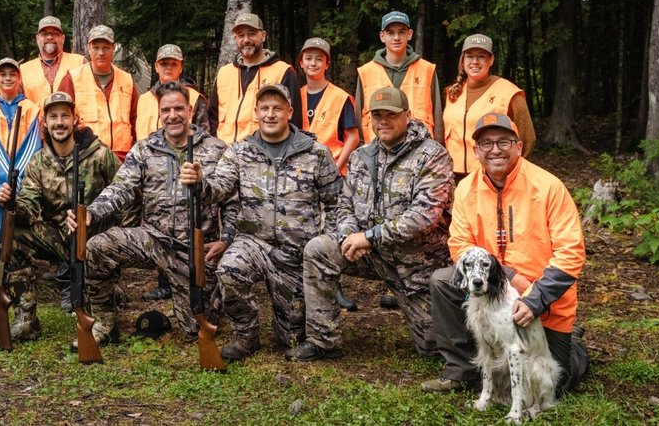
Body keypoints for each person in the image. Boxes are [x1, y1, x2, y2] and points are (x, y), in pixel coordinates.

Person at [284, 87, 455, 361]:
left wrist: (370, 237)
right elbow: (345, 204)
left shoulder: (433, 156)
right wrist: (348, 235)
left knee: (433, 349)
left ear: (408, 116)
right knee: (319, 249)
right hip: (370, 253)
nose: (383, 121)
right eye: (377, 115)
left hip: (415, 266)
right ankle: (321, 340)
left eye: (391, 114)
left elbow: (425, 216)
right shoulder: (362, 156)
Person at [422, 113, 588, 393]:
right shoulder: (466, 189)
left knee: (553, 384)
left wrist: (536, 298)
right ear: (475, 151)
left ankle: (574, 345)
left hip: (545, 303)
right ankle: (462, 371)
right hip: (494, 288)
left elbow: (571, 253)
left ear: (519, 147)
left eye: (503, 141)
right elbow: (460, 246)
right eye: (486, 144)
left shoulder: (548, 187)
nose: (495, 149)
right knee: (442, 280)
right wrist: (509, 276)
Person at [181, 83, 341, 362]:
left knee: (291, 337)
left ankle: (293, 321)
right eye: (264, 108)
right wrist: (199, 183)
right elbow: (219, 188)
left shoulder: (316, 153)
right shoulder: (240, 152)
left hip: (295, 254)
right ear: (255, 113)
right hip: (253, 244)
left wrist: (325, 246)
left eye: (277, 108)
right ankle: (246, 335)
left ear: (290, 112)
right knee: (229, 269)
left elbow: (336, 201)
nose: (270, 114)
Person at [68, 82, 236, 343]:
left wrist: (226, 240)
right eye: (166, 110)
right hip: (153, 240)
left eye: (179, 108)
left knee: (195, 331)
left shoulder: (216, 150)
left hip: (194, 249)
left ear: (190, 110)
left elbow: (231, 200)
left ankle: (206, 304)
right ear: (159, 113)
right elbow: (122, 187)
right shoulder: (145, 149)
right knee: (97, 247)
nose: (173, 115)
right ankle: (103, 322)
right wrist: (91, 213)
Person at [0, 92, 124, 341]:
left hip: (97, 242)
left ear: (75, 120)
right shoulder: (38, 162)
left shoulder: (101, 156)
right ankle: (27, 319)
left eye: (65, 115)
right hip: (61, 239)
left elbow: (126, 196)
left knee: (97, 274)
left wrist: (121, 243)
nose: (59, 122)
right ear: (45, 122)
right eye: (53, 116)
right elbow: (29, 207)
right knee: (15, 236)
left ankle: (104, 318)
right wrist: (12, 204)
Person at [134, 43, 211, 301]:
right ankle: (164, 282)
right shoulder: (144, 98)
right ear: (156, 66)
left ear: (181, 66)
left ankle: (193, 279)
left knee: (185, 220)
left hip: (187, 165)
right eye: (163, 63)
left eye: (173, 63)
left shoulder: (195, 98)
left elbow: (202, 134)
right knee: (158, 219)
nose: (168, 67)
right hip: (152, 165)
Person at [443, 34, 535, 180]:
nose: (475, 61)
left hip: (492, 176)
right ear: (463, 60)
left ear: (491, 60)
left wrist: (510, 174)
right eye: (470, 56)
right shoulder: (452, 92)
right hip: (452, 175)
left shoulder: (509, 92)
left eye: (481, 56)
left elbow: (527, 139)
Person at [0, 58, 42, 255]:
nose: (8, 78)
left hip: (22, 180)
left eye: (12, 74)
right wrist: (3, 184)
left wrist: (16, 181)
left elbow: (33, 145)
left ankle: (18, 276)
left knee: (19, 230)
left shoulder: (31, 108)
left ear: (19, 77)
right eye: (3, 74)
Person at [209, 12, 302, 145]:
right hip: (225, 157)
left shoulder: (283, 71)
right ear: (235, 38)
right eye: (241, 35)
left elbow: (294, 122)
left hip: (262, 157)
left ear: (263, 36)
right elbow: (212, 117)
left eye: (251, 33)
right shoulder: (224, 73)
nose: (246, 39)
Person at [355, 11, 443, 145]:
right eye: (390, 32)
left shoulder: (427, 70)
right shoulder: (366, 72)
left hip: (420, 155)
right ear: (382, 36)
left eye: (401, 32)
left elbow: (438, 119)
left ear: (410, 34)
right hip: (378, 155)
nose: (396, 37)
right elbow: (358, 122)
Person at [58, 25, 139, 161]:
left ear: (113, 48)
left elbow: (136, 120)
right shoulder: (72, 78)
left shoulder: (127, 80)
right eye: (96, 48)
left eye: (106, 47)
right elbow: (61, 120)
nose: (101, 53)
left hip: (122, 159)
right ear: (89, 48)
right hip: (86, 157)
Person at [297, 37, 359, 175]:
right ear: (301, 63)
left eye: (319, 59)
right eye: (308, 58)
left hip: (332, 171)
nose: (313, 63)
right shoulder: (297, 97)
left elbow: (353, 137)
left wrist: (336, 169)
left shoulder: (340, 97)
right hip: (302, 172)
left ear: (327, 64)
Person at [19, 15, 86, 105]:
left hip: (73, 118)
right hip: (35, 119)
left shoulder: (80, 63)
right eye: (44, 33)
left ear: (63, 38)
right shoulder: (23, 70)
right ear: (37, 38)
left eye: (55, 33)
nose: (49, 37)